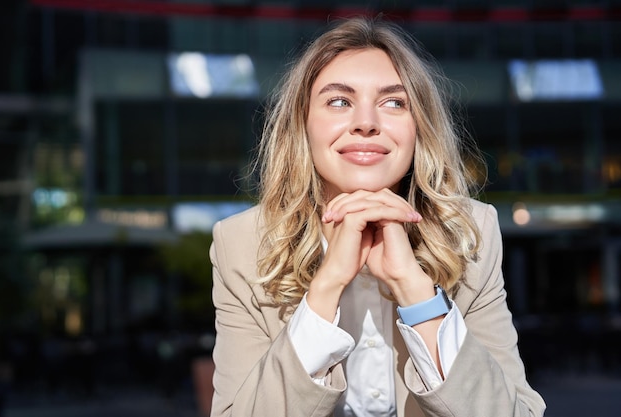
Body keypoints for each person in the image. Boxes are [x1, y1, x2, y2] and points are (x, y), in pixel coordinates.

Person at [209, 16, 546, 417]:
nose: (366, 123)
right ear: (303, 124)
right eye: (339, 101)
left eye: (393, 102)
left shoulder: (472, 232)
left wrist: (416, 292)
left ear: (419, 126)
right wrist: (326, 287)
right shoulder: (241, 244)